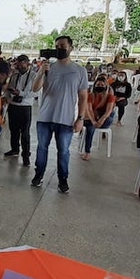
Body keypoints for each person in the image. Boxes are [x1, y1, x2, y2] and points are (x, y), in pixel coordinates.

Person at [31, 36, 89, 193]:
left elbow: (83, 97)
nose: (59, 49)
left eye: (63, 46)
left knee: (63, 151)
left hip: (66, 119)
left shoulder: (80, 71)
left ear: (71, 47)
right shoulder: (49, 67)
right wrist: (42, 71)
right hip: (45, 117)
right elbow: (35, 89)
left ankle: (63, 179)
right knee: (42, 148)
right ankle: (39, 174)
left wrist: (81, 118)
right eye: (57, 46)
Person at [3, 55, 37, 166]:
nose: (20, 65)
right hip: (13, 105)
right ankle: (14, 149)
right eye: (18, 63)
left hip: (25, 106)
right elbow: (8, 88)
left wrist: (21, 93)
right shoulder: (14, 75)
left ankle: (26, 156)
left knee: (25, 133)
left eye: (23, 63)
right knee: (13, 130)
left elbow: (36, 92)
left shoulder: (33, 76)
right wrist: (7, 97)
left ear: (28, 63)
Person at [81, 78, 116, 161]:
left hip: (102, 118)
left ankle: (97, 126)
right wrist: (93, 121)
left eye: (102, 85)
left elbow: (108, 111)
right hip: (89, 118)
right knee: (90, 129)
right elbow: (89, 110)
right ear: (94, 85)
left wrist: (101, 121)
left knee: (110, 118)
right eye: (98, 85)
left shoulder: (110, 97)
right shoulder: (90, 95)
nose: (100, 86)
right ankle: (87, 152)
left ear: (106, 86)